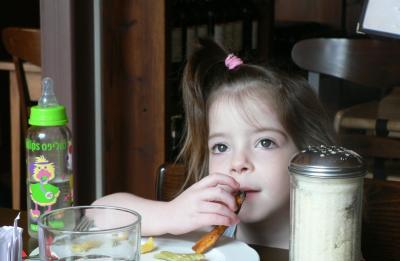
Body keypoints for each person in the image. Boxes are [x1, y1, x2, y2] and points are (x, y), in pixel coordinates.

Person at [93, 38, 335, 249]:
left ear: (309, 156)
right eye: (221, 147)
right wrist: (169, 214)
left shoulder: (331, 242)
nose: (238, 163)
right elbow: (97, 214)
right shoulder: (209, 224)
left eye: (264, 142)